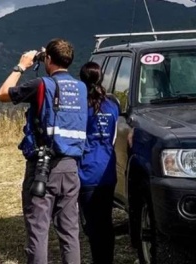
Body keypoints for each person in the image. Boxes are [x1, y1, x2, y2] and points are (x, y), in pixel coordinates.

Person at [0, 38, 87, 264]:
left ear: (48, 59)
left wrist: (22, 65)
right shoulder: (81, 88)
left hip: (43, 168)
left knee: (38, 230)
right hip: (71, 167)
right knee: (69, 232)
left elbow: (3, 94)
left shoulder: (42, 85)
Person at [78, 61, 119, 264]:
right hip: (107, 171)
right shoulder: (113, 106)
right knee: (105, 222)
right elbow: (113, 137)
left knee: (91, 225)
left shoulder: (79, 108)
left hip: (85, 172)